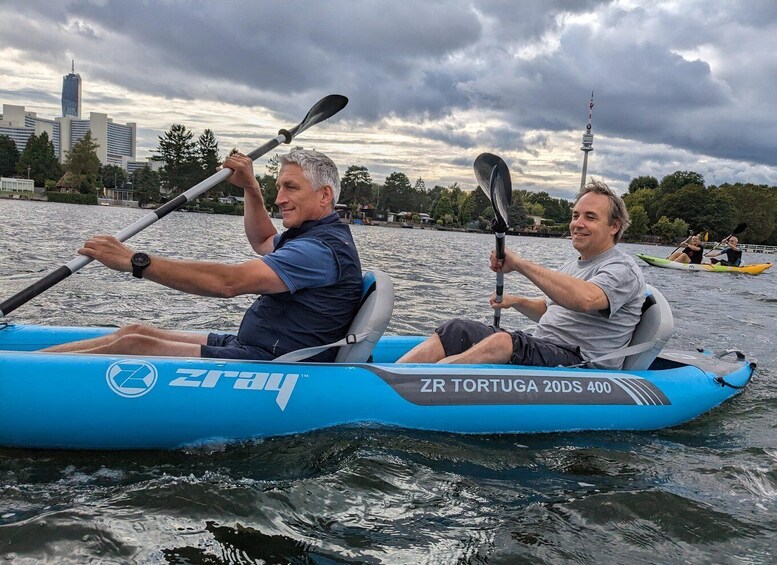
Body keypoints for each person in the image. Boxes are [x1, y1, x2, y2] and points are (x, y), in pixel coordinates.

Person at [44, 149, 363, 361]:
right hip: (253, 345)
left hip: (273, 362)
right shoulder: (314, 237)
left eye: (291, 187)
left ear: (324, 196)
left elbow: (229, 283)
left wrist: (135, 261)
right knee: (135, 332)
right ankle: (23, 365)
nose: (279, 198)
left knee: (134, 347)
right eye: (277, 187)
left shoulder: (318, 251)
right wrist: (251, 188)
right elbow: (264, 238)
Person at [398, 180, 646, 370]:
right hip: (549, 347)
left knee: (503, 343)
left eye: (590, 217)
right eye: (575, 215)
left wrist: (519, 263)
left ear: (614, 226)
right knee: (456, 329)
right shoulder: (573, 265)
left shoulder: (623, 269)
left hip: (582, 361)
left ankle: (423, 385)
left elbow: (586, 300)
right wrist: (516, 301)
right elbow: (553, 311)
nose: (578, 223)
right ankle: (389, 377)